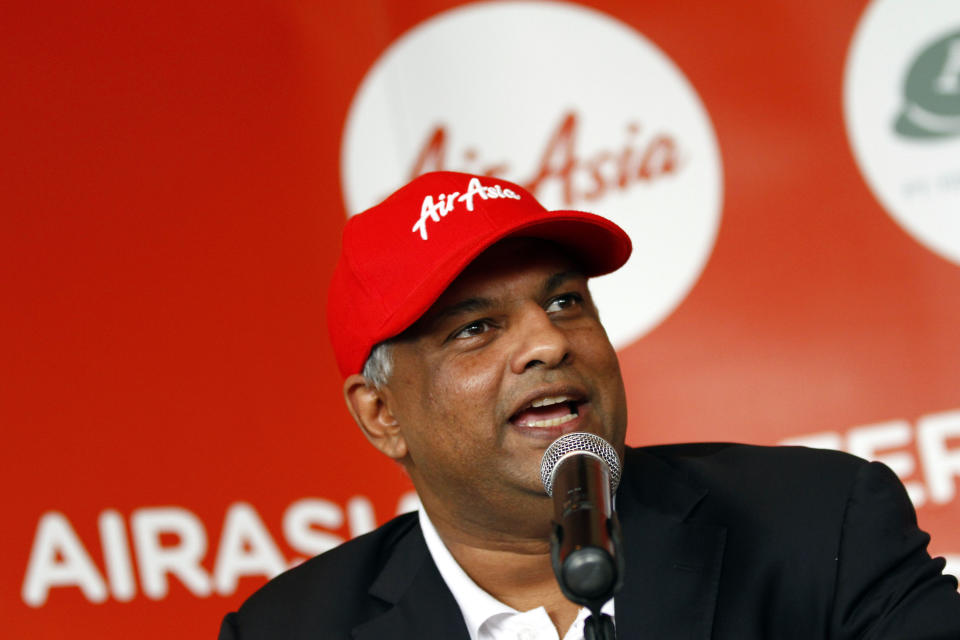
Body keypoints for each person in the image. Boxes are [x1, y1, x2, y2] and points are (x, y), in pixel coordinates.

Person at [219, 171, 960, 639]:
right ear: (383, 415)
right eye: (477, 328)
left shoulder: (818, 523)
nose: (548, 341)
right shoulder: (288, 629)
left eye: (566, 300)